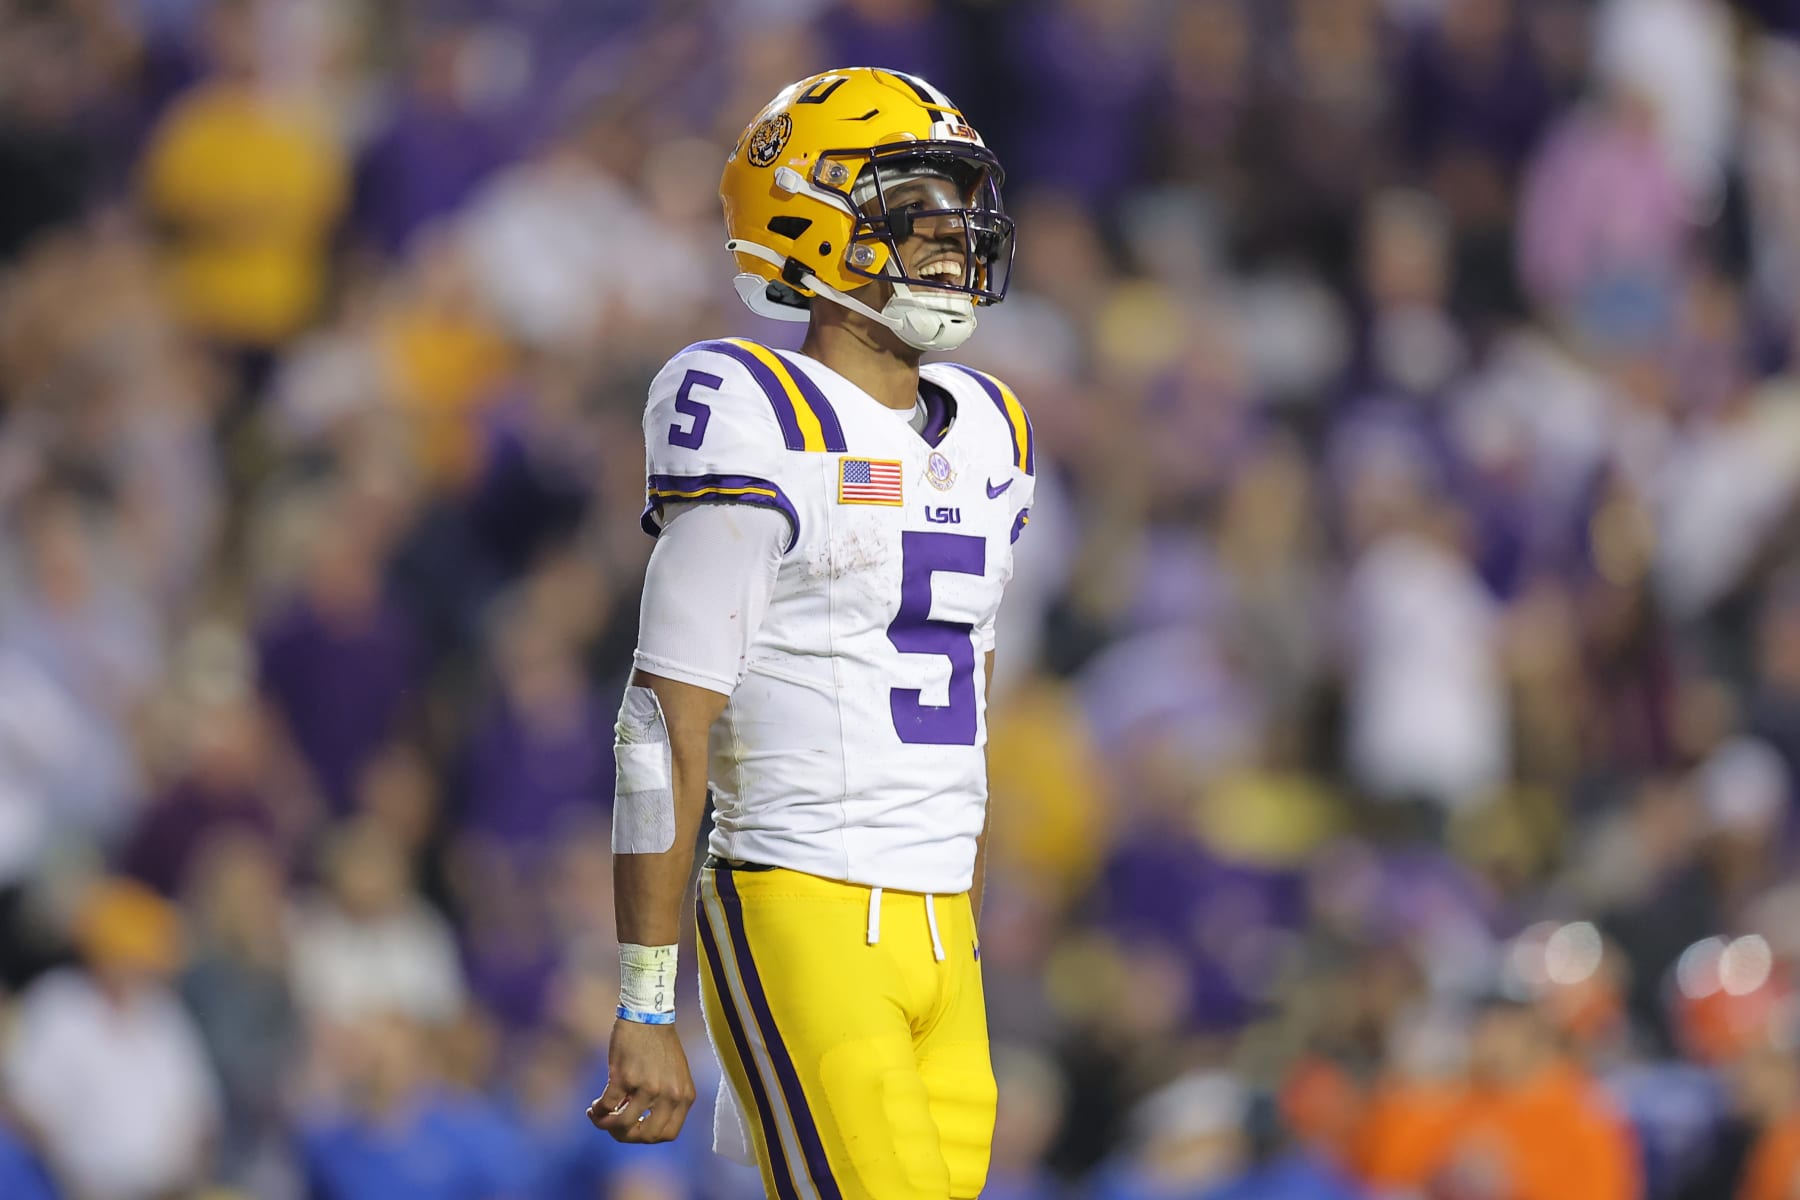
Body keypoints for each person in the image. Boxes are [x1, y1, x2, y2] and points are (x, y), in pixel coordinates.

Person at [584, 67, 1035, 1200]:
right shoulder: (747, 407)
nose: (948, 236)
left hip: (943, 928)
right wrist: (647, 997)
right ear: (807, 215)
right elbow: (661, 721)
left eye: (957, 207)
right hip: (803, 894)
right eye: (909, 206)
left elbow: (970, 704)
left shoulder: (991, 426)